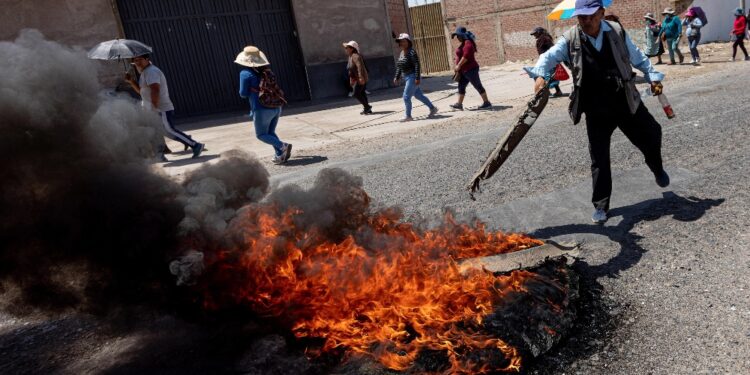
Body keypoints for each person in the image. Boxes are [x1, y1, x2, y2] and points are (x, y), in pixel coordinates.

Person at [528, 0, 670, 224]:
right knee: (599, 158)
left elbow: (637, 57)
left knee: (652, 133)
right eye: (581, 17)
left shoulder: (616, 31)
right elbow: (548, 57)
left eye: (591, 16)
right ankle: (601, 206)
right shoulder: (570, 39)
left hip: (624, 100)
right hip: (595, 108)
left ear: (601, 13)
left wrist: (652, 75)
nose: (586, 21)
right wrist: (539, 75)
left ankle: (656, 167)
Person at [125, 54, 204, 160]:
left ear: (147, 59)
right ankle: (160, 155)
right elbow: (143, 92)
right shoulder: (145, 72)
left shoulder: (151, 72)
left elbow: (155, 90)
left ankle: (195, 145)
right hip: (152, 108)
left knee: (169, 130)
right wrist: (131, 82)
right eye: (135, 60)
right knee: (156, 131)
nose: (137, 62)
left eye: (139, 59)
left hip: (161, 108)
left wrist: (154, 107)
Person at [235, 46, 292, 164]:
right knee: (270, 133)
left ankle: (283, 146)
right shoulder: (268, 71)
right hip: (276, 106)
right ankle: (280, 155)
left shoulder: (245, 73)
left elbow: (243, 93)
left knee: (261, 134)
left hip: (261, 109)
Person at [393, 33, 438, 122]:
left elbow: (417, 65)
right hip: (406, 77)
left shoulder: (412, 52)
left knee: (406, 97)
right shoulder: (402, 53)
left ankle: (408, 116)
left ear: (408, 42)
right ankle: (433, 108)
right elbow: (399, 66)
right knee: (418, 95)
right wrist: (396, 76)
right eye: (401, 41)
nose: (402, 43)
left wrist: (417, 78)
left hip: (412, 76)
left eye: (404, 41)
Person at [449, 26, 492, 110]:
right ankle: (459, 104)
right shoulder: (464, 43)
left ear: (462, 35)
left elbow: (466, 56)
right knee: (461, 86)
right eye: (456, 36)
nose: (457, 38)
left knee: (477, 85)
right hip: (464, 71)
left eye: (458, 36)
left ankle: (487, 103)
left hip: (470, 69)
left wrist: (458, 65)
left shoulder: (468, 43)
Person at [531, 27, 566, 97]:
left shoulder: (544, 39)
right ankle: (557, 91)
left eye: (535, 34)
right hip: (547, 60)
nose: (534, 35)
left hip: (548, 60)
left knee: (543, 76)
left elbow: (551, 48)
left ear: (539, 32)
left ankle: (547, 93)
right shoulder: (543, 38)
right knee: (550, 76)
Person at [343, 41, 372, 115]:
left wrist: (360, 77)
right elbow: (351, 69)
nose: (346, 49)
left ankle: (367, 106)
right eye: (345, 48)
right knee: (362, 93)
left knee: (356, 93)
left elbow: (360, 67)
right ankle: (367, 109)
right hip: (356, 78)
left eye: (347, 48)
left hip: (359, 78)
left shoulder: (355, 56)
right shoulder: (351, 56)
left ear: (352, 49)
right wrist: (351, 79)